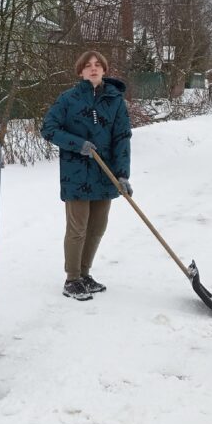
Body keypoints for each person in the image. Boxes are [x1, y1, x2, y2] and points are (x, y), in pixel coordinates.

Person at [41, 50, 132, 301]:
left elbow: (122, 138)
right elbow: (48, 129)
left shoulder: (115, 101)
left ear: (104, 69)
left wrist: (123, 175)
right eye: (88, 66)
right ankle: (72, 279)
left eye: (98, 65)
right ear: (80, 71)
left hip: (106, 174)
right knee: (78, 228)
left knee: (97, 228)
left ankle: (85, 274)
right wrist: (77, 144)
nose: (93, 69)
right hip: (76, 174)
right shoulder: (68, 99)